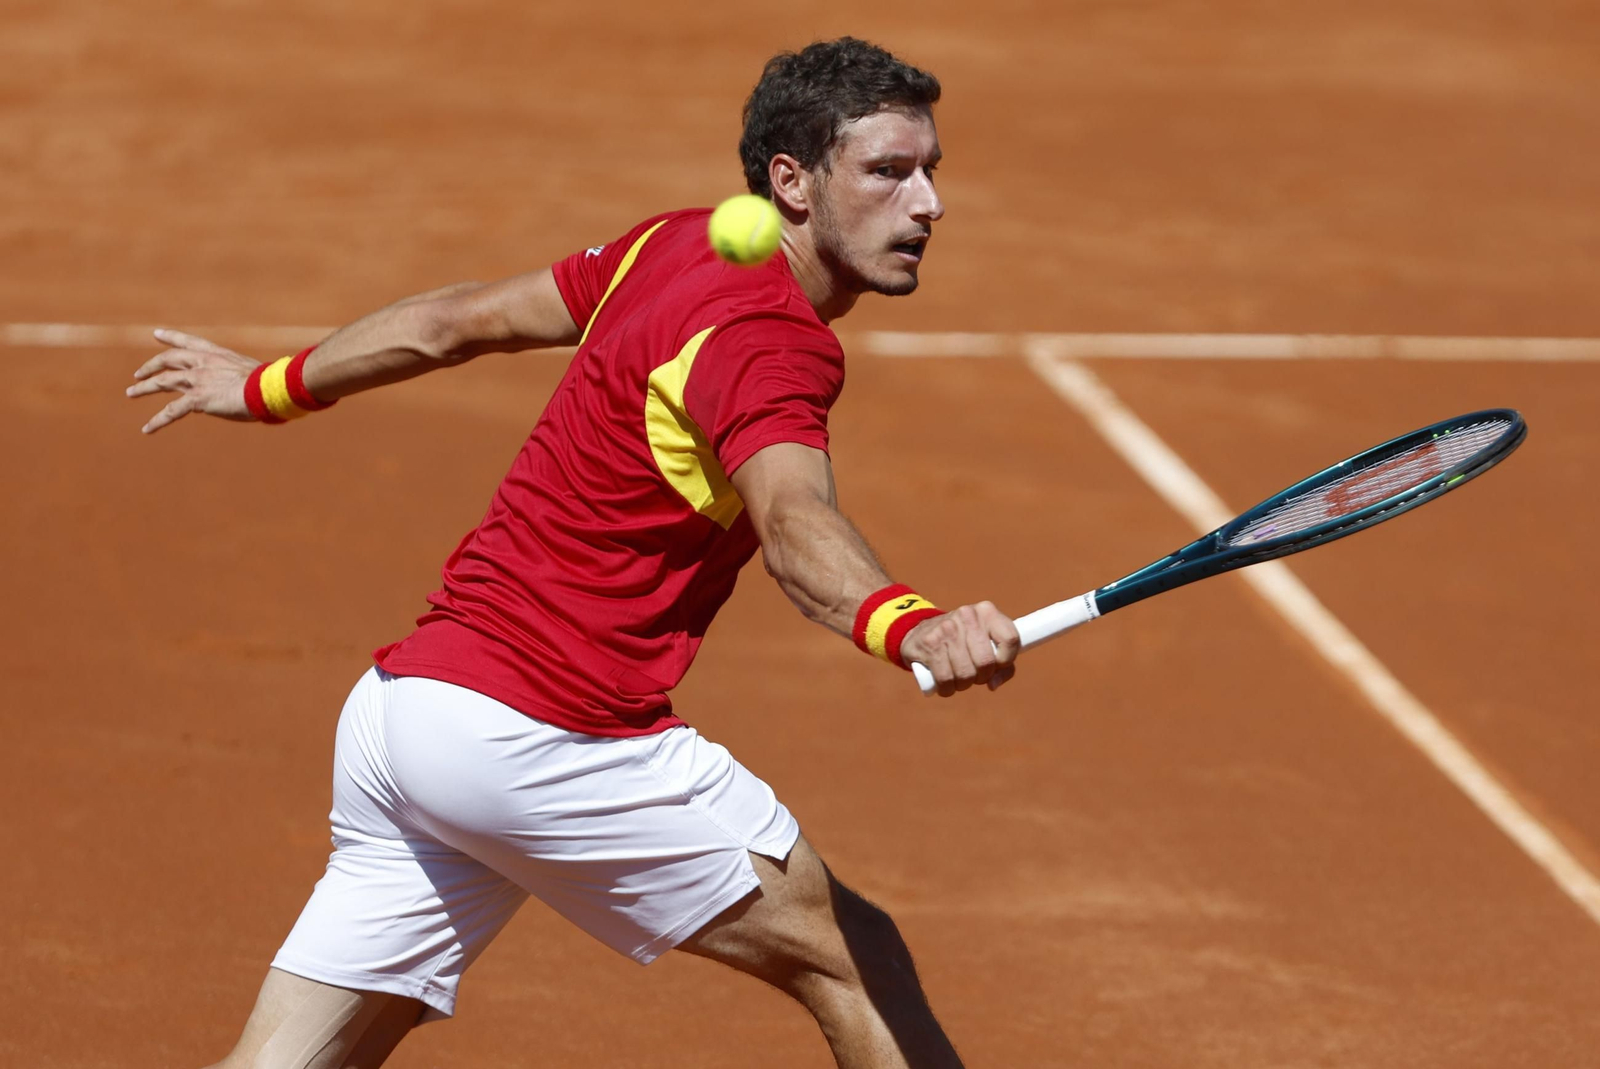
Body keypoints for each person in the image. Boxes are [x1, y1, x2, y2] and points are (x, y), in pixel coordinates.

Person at [127, 36, 1020, 1069]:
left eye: (930, 172)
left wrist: (265, 385)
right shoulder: (772, 342)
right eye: (888, 172)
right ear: (792, 183)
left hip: (403, 722)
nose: (927, 205)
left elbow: (456, 321)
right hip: (543, 738)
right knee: (855, 960)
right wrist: (909, 625)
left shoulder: (677, 243)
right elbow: (793, 524)